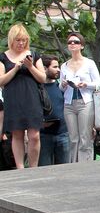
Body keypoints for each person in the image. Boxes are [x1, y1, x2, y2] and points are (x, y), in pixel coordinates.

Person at [0, 23, 47, 168]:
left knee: (34, 135)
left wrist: (30, 66)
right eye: (18, 40)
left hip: (31, 99)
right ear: (11, 40)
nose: (21, 43)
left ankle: (33, 167)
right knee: (17, 135)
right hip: (13, 99)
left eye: (24, 40)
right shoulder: (3, 57)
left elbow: (42, 78)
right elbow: (1, 81)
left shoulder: (33, 55)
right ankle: (20, 167)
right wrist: (15, 68)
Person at [59, 31, 100, 163]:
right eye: (70, 42)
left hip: (85, 102)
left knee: (85, 136)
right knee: (73, 137)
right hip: (69, 103)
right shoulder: (64, 65)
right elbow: (60, 87)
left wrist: (85, 84)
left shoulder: (89, 63)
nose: (72, 44)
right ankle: (73, 164)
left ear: (82, 46)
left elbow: (97, 84)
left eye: (76, 42)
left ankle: (85, 164)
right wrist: (64, 84)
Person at [39, 56, 70, 166]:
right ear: (44, 68)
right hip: (43, 136)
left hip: (63, 134)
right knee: (43, 171)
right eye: (55, 67)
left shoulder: (61, 86)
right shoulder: (37, 88)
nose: (58, 69)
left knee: (65, 170)